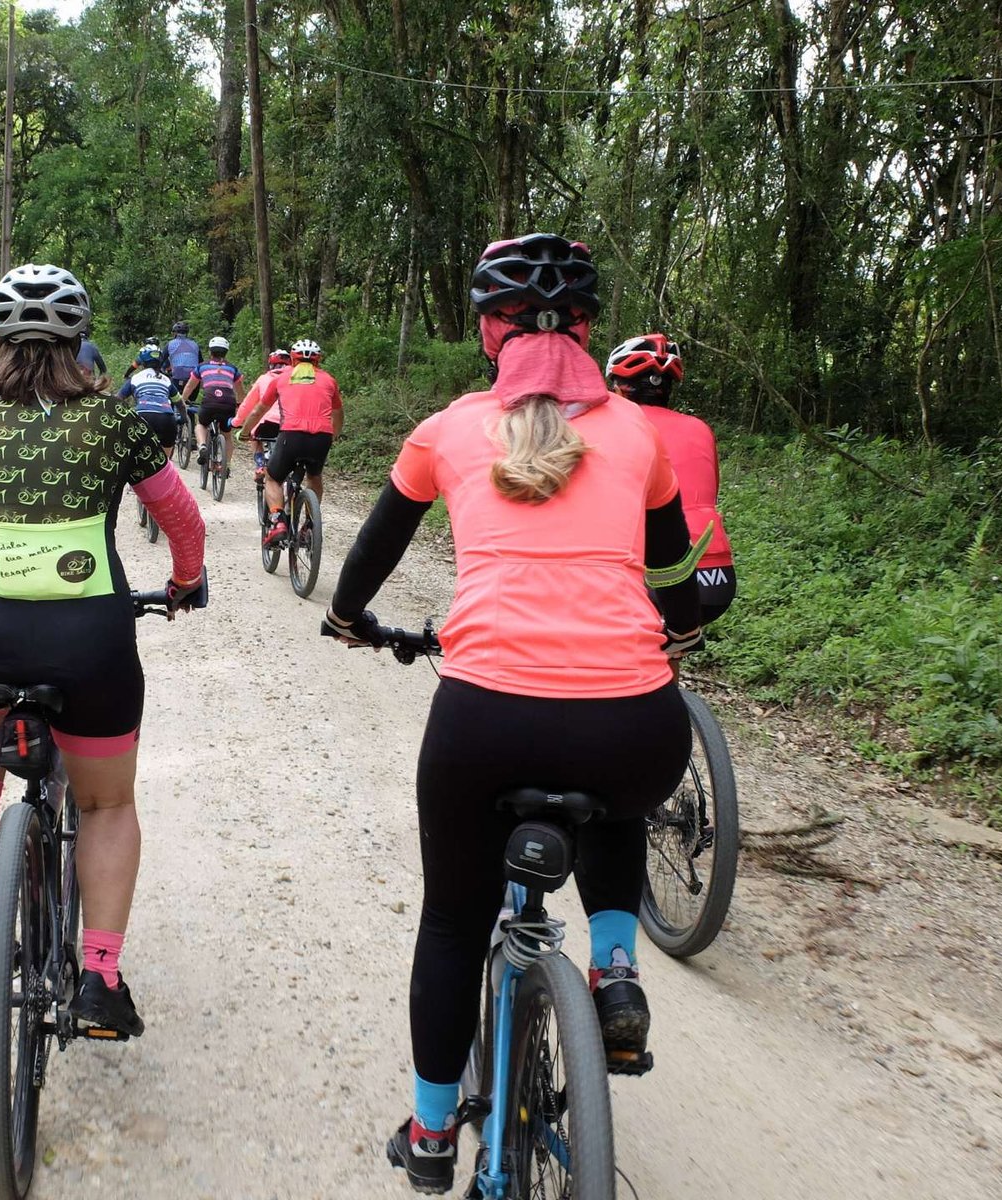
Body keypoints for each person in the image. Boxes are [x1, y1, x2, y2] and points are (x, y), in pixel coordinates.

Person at [320, 233, 704, 1193]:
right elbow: (673, 579)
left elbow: (372, 551)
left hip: (484, 721)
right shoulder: (639, 436)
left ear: (490, 332)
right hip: (634, 722)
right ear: (586, 331)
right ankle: (615, 970)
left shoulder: (446, 430)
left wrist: (346, 618)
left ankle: (433, 1132)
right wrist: (656, 633)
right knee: (613, 796)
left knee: (455, 921)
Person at [0, 263, 208, 1037]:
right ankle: (100, 979)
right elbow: (184, 525)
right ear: (79, 339)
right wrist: (181, 584)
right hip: (90, 641)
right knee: (106, 804)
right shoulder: (115, 421)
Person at [606, 333, 736, 623]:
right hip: (717, 578)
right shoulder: (700, 428)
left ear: (621, 390)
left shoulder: (618, 425)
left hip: (659, 574)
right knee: (672, 643)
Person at [237, 338, 342, 547]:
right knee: (314, 476)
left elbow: (259, 410)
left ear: (292, 360)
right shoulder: (329, 380)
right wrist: (333, 436)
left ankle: (277, 522)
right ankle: (310, 525)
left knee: (273, 478)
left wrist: (245, 431)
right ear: (318, 361)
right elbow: (338, 414)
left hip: (291, 435)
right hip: (321, 437)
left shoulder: (282, 378)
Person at [181, 336, 243, 472]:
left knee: (201, 424)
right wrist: (239, 404)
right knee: (227, 435)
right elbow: (240, 390)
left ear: (210, 352)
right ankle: (225, 466)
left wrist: (183, 400)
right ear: (226, 352)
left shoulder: (202, 367)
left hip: (209, 402)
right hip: (228, 403)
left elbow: (190, 386)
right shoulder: (233, 369)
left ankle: (202, 445)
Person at [234, 348, 292, 478]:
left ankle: (260, 465)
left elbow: (248, 404)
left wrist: (236, 421)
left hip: (268, 422)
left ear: (270, 364)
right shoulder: (295, 379)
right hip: (290, 423)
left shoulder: (264, 379)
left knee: (254, 436)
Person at [117, 345, 179, 450]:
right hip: (167, 418)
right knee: (166, 461)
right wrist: (183, 417)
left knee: (134, 452)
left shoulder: (135, 378)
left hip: (142, 415)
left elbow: (117, 400)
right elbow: (180, 403)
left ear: (143, 362)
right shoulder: (166, 380)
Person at [165, 321, 199, 395]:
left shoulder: (170, 344)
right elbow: (200, 362)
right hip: (193, 376)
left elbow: (161, 359)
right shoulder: (194, 344)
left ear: (175, 333)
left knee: (173, 399)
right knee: (192, 400)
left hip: (177, 376)